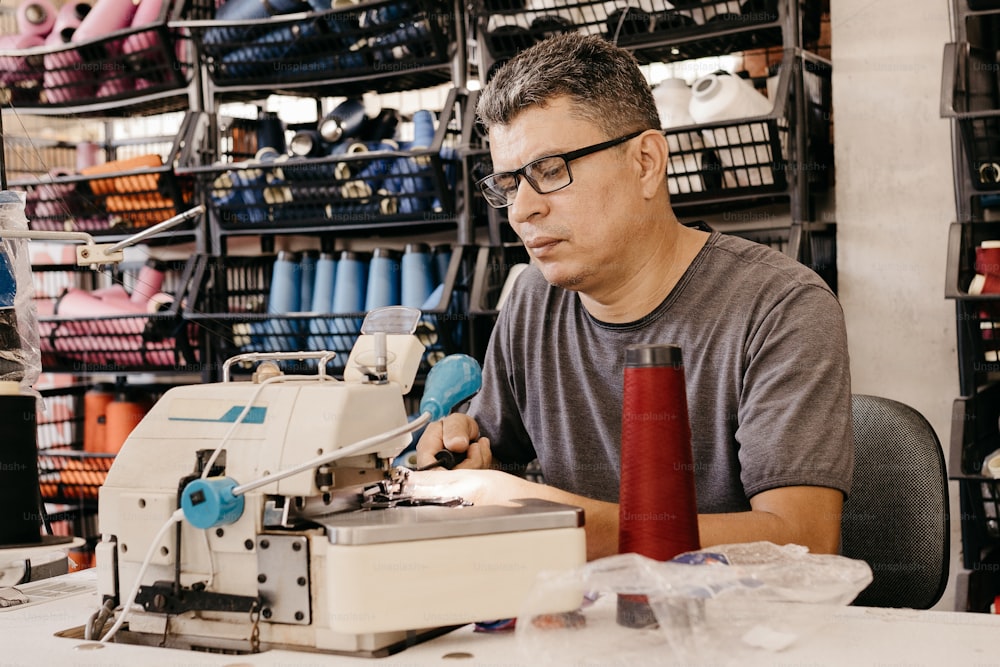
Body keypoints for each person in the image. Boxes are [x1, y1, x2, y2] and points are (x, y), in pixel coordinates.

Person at [414, 33, 853, 561]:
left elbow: (802, 540)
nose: (520, 210)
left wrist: (550, 519)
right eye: (509, 184)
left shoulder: (780, 308)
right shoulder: (533, 300)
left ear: (646, 162)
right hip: (591, 629)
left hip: (744, 634)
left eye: (550, 171)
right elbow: (486, 450)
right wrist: (458, 450)